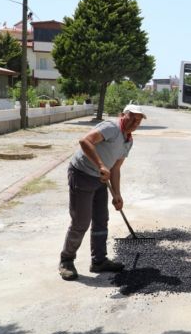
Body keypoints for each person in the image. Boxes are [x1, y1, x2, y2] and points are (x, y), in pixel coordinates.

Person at [58, 104, 146, 281]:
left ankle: (99, 260)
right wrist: (100, 165)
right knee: (81, 221)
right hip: (82, 173)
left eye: (138, 121)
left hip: (100, 179)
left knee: (101, 219)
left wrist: (117, 194)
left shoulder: (128, 141)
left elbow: (116, 168)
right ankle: (66, 260)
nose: (134, 123)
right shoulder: (111, 128)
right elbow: (85, 141)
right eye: (131, 118)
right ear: (123, 115)